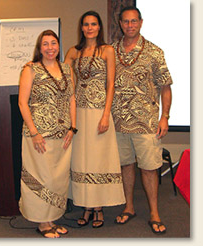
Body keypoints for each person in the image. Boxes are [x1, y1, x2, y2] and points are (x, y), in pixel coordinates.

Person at [111, 6, 172, 234]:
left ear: (141, 22)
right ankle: (129, 207)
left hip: (146, 122)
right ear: (120, 23)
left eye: (134, 21)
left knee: (149, 168)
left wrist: (164, 117)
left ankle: (154, 212)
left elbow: (165, 87)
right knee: (126, 165)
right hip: (118, 122)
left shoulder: (154, 52)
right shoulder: (111, 51)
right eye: (126, 22)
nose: (130, 25)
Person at [64, 10, 125, 228]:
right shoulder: (74, 52)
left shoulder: (107, 50)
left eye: (94, 24)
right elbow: (64, 78)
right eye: (86, 24)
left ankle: (98, 207)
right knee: (82, 159)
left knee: (99, 158)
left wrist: (106, 114)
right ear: (82, 28)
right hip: (79, 112)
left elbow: (111, 84)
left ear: (99, 27)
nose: (90, 28)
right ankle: (86, 205)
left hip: (100, 112)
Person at [18, 30, 76, 238]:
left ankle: (51, 218)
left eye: (54, 43)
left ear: (59, 46)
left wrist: (73, 128)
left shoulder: (67, 69)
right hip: (38, 135)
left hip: (63, 135)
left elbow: (71, 99)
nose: (50, 47)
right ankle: (42, 222)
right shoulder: (30, 69)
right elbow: (22, 103)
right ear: (39, 48)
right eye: (45, 44)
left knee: (58, 179)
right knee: (42, 178)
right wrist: (34, 133)